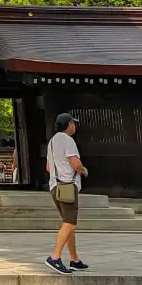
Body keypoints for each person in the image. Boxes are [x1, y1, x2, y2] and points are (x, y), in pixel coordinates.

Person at [46, 113, 89, 274]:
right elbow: (75, 163)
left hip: (55, 185)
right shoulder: (67, 140)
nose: (75, 126)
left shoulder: (52, 142)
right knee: (70, 223)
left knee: (67, 222)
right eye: (73, 123)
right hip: (67, 186)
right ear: (69, 125)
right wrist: (84, 171)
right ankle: (55, 257)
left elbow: (49, 167)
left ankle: (74, 259)